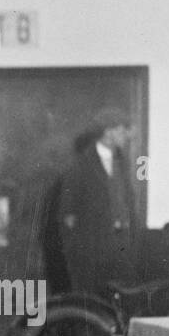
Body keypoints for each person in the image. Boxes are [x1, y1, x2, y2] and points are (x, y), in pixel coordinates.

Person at [51, 108, 139, 298]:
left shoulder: (123, 162)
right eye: (123, 131)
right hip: (90, 255)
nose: (127, 136)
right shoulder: (80, 165)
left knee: (119, 308)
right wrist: (78, 253)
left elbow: (128, 205)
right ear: (108, 132)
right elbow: (67, 216)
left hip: (121, 250)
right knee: (91, 310)